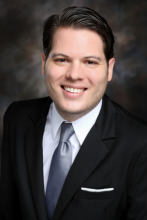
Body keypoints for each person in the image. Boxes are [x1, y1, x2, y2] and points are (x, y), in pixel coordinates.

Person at [0, 6, 147, 220]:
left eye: (90, 62)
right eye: (62, 60)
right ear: (43, 64)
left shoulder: (140, 144)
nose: (74, 75)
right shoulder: (17, 118)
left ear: (109, 69)